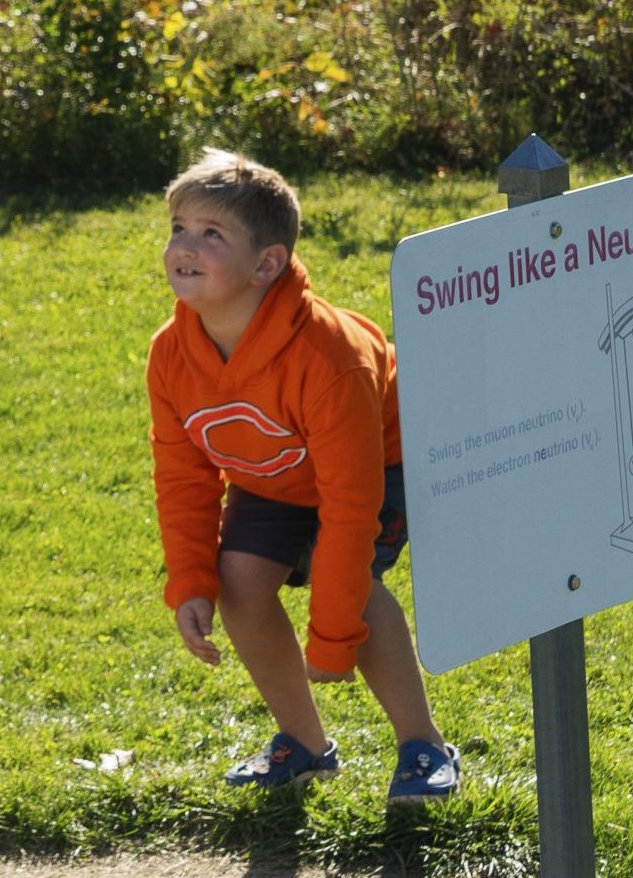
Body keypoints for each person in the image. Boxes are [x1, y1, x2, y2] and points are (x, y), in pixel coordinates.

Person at [146, 148, 460, 800]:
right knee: (237, 581)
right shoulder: (170, 354)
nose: (186, 244)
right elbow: (183, 478)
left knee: (344, 574)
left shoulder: (329, 356)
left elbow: (350, 506)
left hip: (379, 463)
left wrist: (334, 635)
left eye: (212, 233)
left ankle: (423, 747)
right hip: (276, 476)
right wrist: (191, 580)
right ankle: (306, 747)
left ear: (266, 264)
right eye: (179, 226)